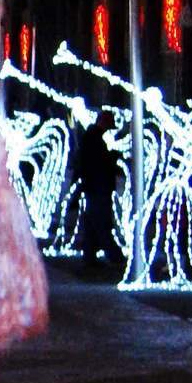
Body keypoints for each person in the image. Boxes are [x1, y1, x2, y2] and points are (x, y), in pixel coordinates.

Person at [74, 112, 122, 268]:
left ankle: (90, 256)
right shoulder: (94, 140)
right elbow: (98, 163)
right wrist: (113, 157)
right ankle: (114, 256)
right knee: (102, 222)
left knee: (92, 221)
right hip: (98, 186)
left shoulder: (90, 138)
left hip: (92, 186)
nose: (109, 129)